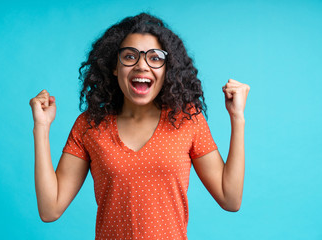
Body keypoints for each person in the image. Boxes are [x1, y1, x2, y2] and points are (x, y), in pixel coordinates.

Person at [29, 13, 250, 240]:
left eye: (155, 58)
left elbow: (230, 198)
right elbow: (50, 209)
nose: (141, 65)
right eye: (129, 56)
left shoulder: (187, 119)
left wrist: (237, 118)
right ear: (114, 67)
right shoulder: (89, 125)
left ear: (167, 68)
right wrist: (41, 128)